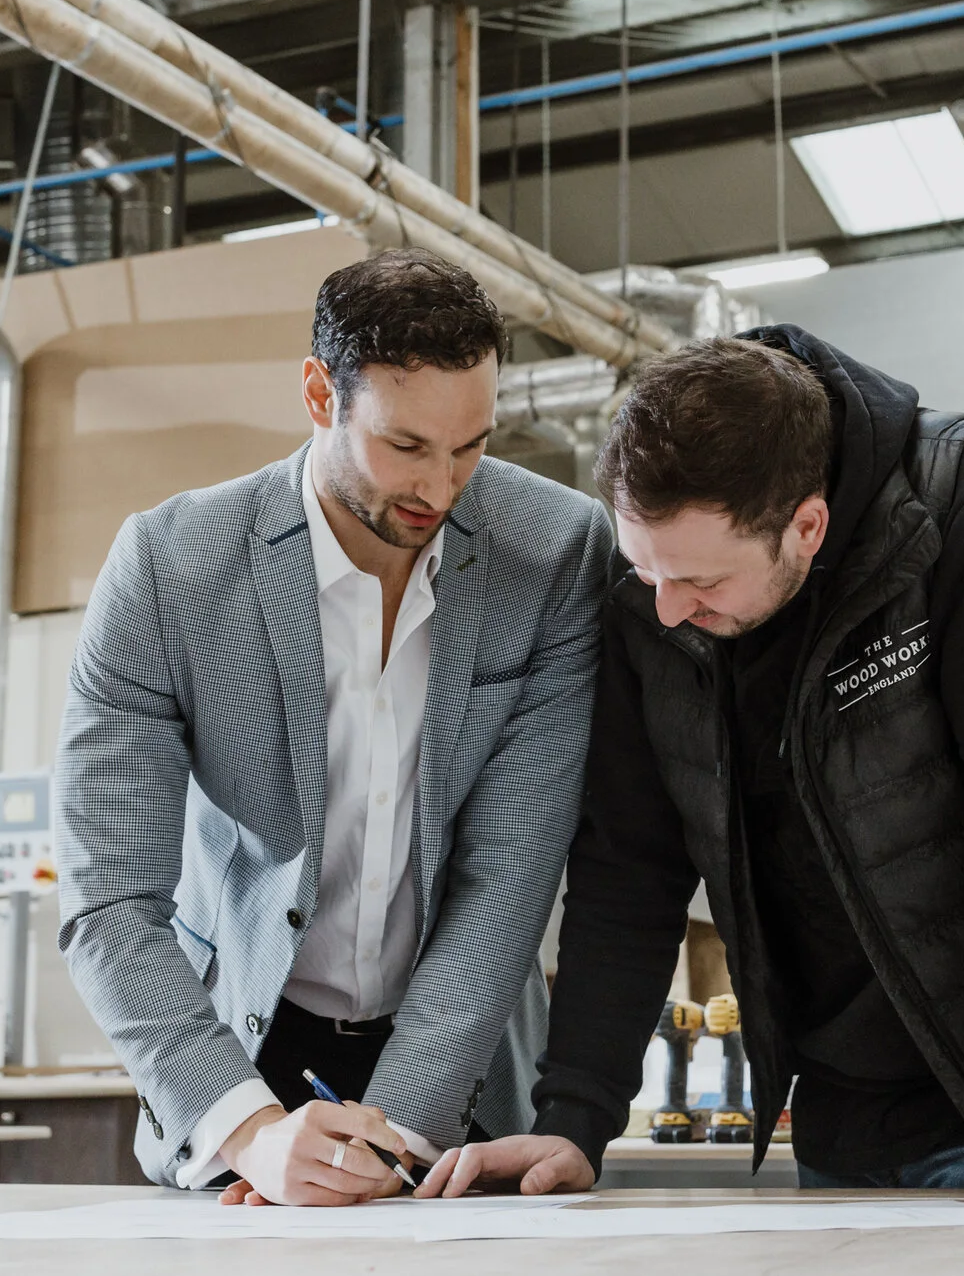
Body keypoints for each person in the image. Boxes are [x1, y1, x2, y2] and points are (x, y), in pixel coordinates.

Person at [417, 327, 964, 1213]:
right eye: (645, 572)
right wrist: (575, 1114)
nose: (668, 609)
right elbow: (627, 868)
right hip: (847, 1106)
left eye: (701, 583)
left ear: (807, 524)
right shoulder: (655, 592)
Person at [56, 251, 614, 1205]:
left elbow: (508, 881)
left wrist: (387, 1142)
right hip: (240, 1055)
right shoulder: (168, 568)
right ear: (320, 393)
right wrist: (249, 1131)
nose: (441, 488)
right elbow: (109, 898)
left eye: (471, 446)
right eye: (405, 446)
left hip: (462, 1070)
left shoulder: (557, 551)